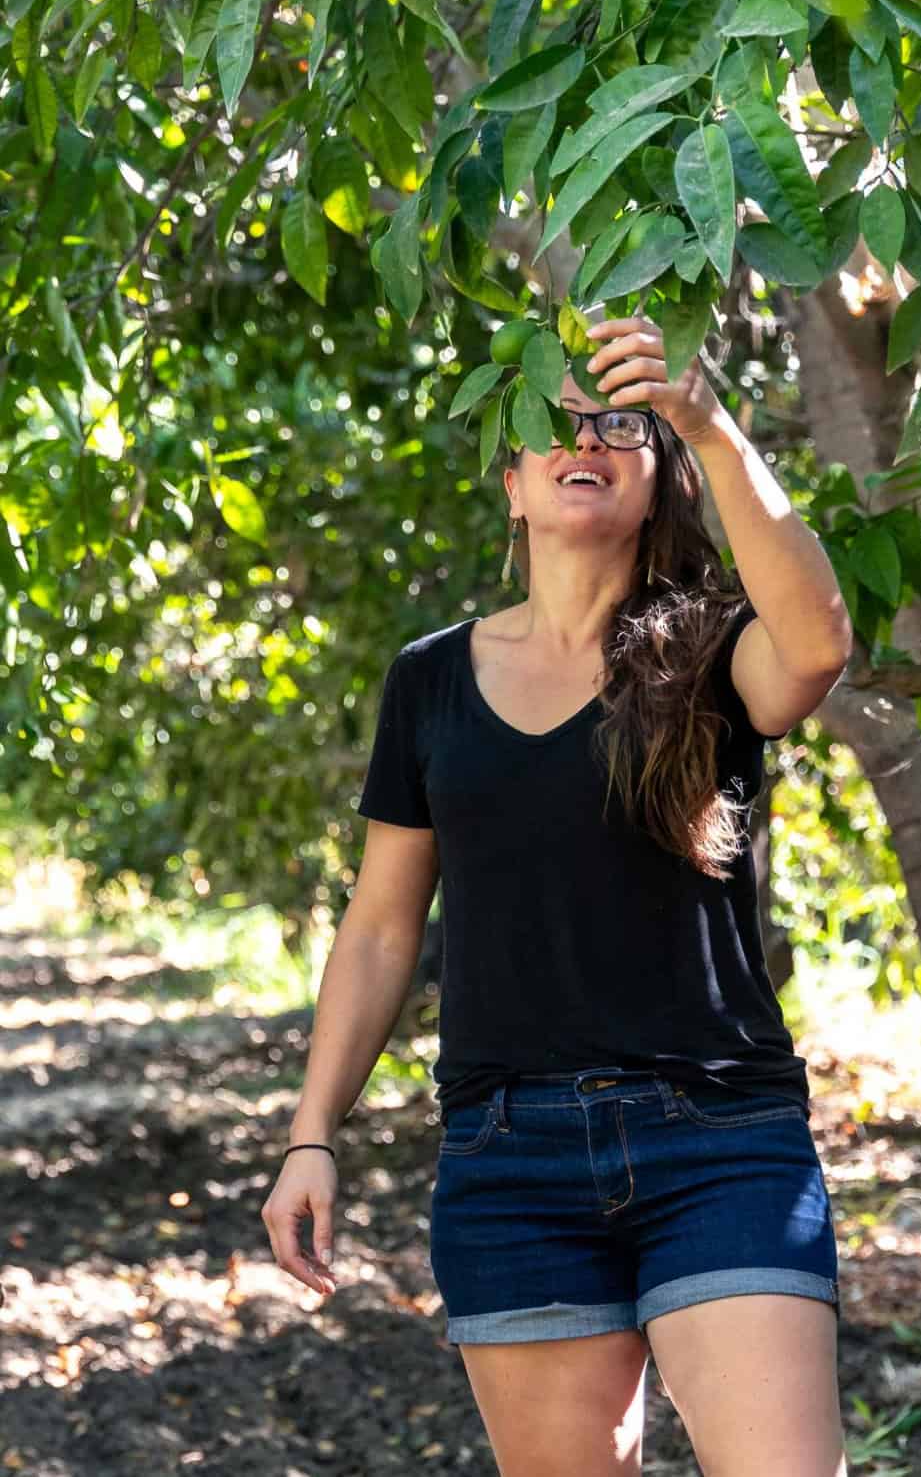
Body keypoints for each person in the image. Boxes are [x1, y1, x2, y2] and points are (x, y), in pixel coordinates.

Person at [262, 314, 854, 1477]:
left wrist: (710, 422)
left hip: (721, 1139)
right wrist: (310, 1133)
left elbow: (819, 648)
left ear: (655, 477)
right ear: (513, 488)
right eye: (554, 420)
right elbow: (383, 929)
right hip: (510, 1156)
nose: (586, 436)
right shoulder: (429, 680)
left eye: (620, 422)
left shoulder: (713, 647)